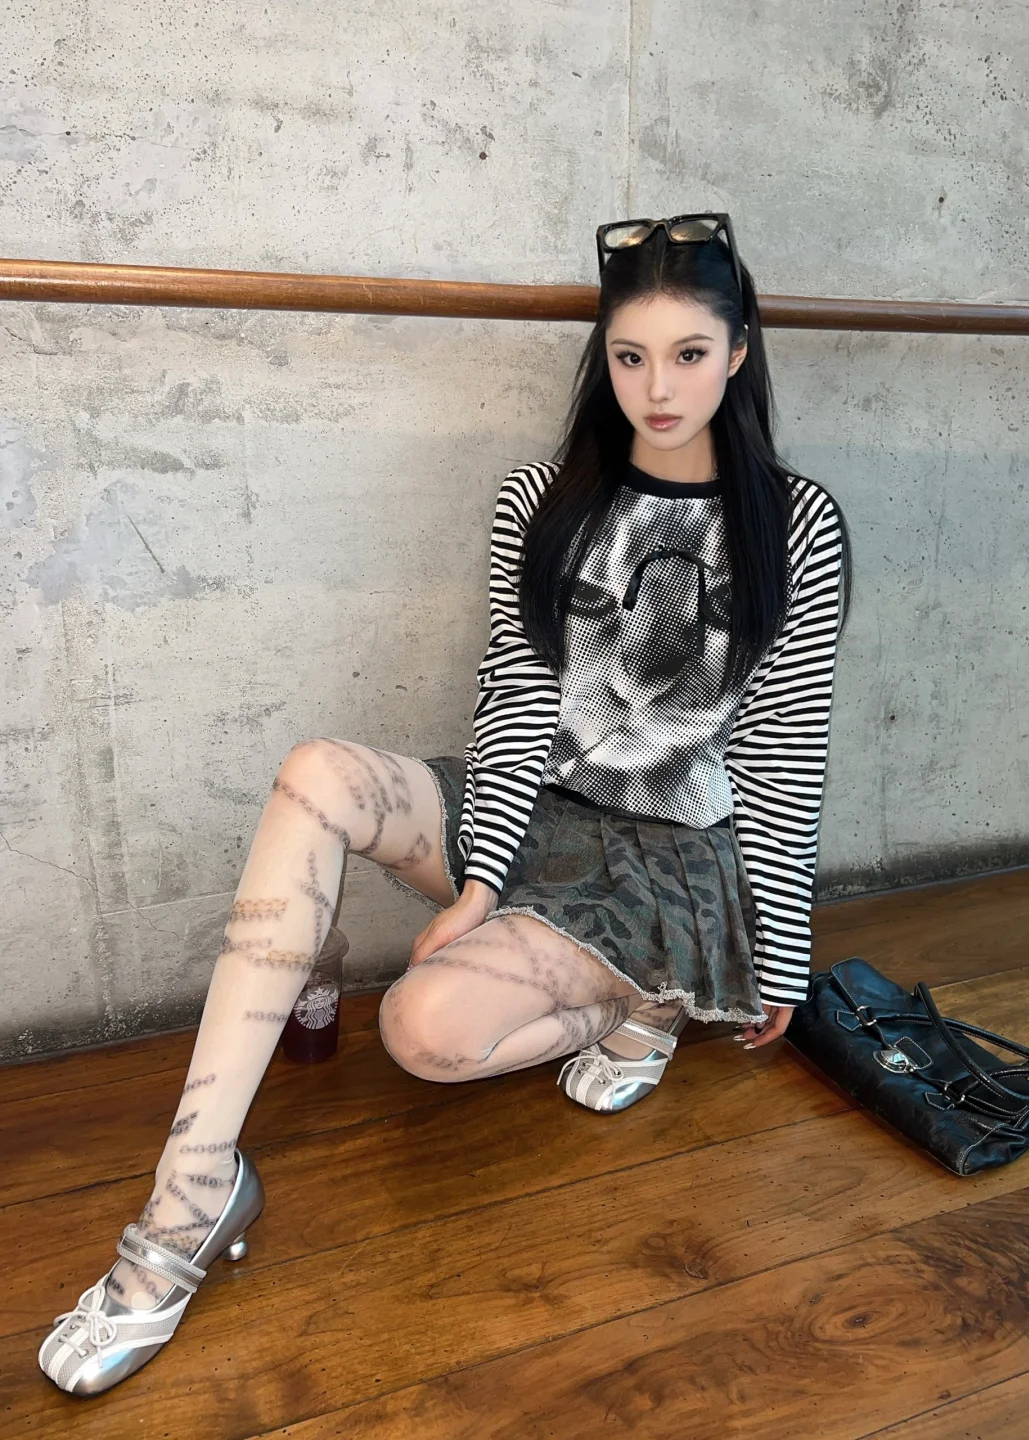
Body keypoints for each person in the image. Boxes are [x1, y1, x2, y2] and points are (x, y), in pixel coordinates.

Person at [38, 212, 853, 1396]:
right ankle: (191, 1191)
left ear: (737, 351)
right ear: (604, 357)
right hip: (541, 809)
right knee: (318, 771)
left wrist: (772, 956)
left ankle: (654, 996)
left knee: (421, 1035)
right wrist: (480, 885)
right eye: (631, 356)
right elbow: (516, 701)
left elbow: (785, 751)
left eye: (688, 354)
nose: (658, 388)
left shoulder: (797, 522)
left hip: (671, 857)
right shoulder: (546, 497)